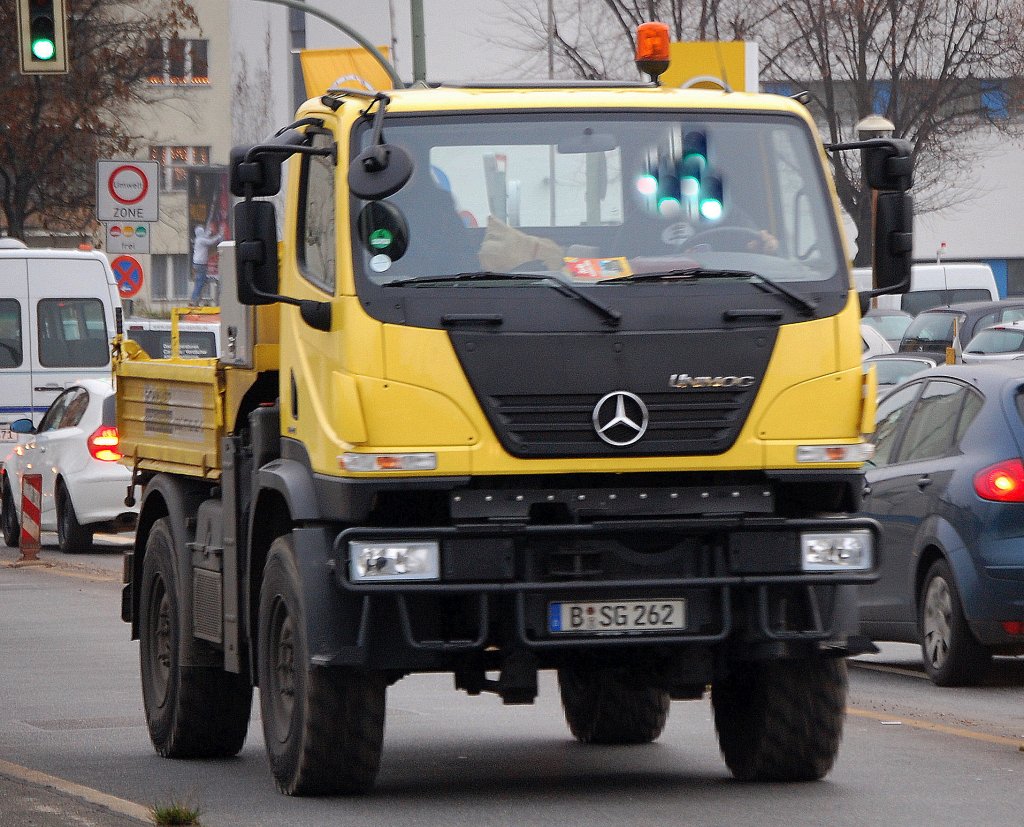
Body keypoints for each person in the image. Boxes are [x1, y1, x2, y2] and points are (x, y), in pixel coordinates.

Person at [190, 224, 223, 305]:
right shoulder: (201, 240)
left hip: (197, 263)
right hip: (201, 264)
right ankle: (194, 300)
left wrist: (209, 231)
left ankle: (197, 300)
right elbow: (211, 241)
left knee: (202, 281)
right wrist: (219, 235)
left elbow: (205, 236)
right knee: (200, 282)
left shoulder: (198, 239)